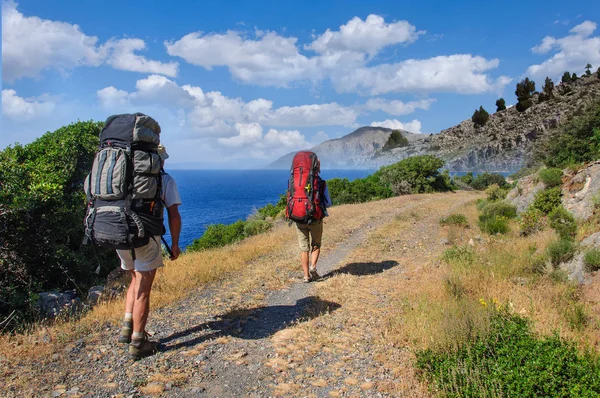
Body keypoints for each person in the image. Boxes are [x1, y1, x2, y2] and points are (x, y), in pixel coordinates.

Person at [117, 144, 182, 359]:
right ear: (157, 159)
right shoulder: (165, 180)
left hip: (120, 236)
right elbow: (174, 214)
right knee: (144, 289)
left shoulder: (123, 178)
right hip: (146, 237)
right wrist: (174, 245)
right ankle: (138, 341)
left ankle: (127, 326)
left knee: (134, 279)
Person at [294, 159, 332, 283]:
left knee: (303, 248)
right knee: (316, 244)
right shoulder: (320, 183)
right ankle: (313, 267)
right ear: (317, 167)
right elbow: (328, 203)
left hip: (299, 219)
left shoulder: (296, 181)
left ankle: (306, 276)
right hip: (315, 218)